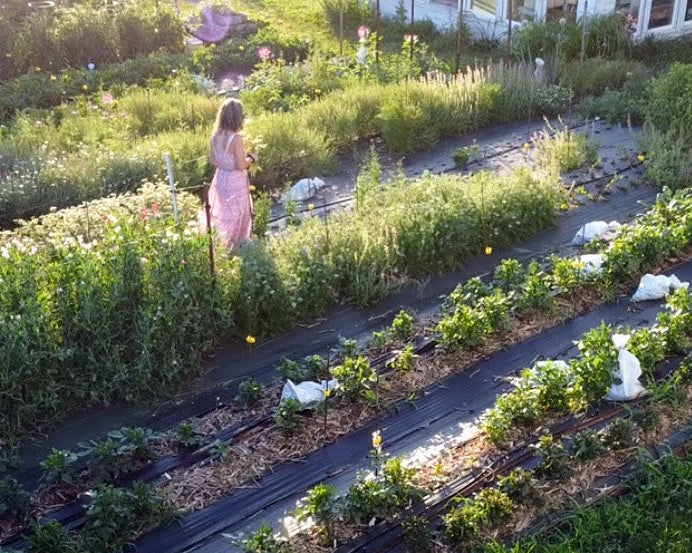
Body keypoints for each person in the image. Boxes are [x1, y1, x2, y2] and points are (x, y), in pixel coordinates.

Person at [201, 98, 256, 250]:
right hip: (235, 181)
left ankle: (220, 244)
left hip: (220, 178)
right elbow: (240, 165)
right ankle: (236, 245)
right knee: (237, 213)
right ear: (238, 117)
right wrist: (251, 159)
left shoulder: (214, 137)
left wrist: (225, 163)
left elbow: (213, 161)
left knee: (222, 213)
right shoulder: (236, 138)